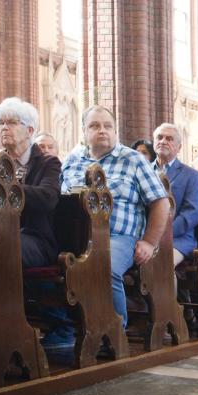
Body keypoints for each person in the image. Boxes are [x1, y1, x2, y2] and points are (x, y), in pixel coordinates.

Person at [62, 106, 171, 328]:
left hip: (119, 237)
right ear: (84, 131)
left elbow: (161, 202)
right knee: (45, 263)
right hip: (76, 237)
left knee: (104, 266)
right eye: (94, 126)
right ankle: (68, 329)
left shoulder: (132, 160)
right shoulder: (72, 161)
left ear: (115, 131)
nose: (102, 130)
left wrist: (149, 242)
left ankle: (114, 332)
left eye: (107, 126)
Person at [0, 98, 70, 346]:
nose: (4, 128)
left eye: (12, 122)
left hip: (36, 238)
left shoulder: (47, 163)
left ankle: (17, 326)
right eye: (0, 122)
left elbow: (47, 198)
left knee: (3, 250)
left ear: (30, 130)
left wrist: (8, 189)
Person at [153, 122, 198, 265]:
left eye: (169, 139)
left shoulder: (191, 175)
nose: (163, 141)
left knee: (161, 264)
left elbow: (191, 215)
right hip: (144, 237)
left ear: (179, 147)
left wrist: (160, 233)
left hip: (178, 239)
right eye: (159, 137)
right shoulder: (144, 171)